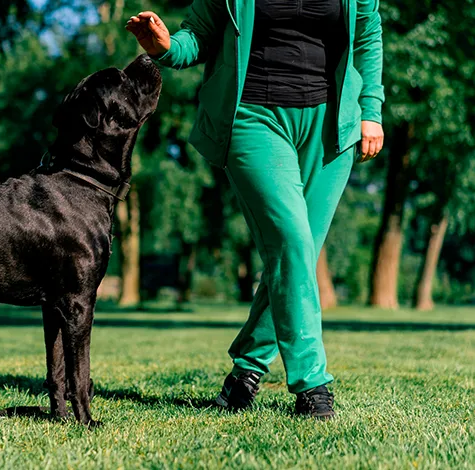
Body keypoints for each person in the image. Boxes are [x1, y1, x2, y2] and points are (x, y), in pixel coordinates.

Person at [126, 0, 384, 419]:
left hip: (332, 126)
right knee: (292, 240)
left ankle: (245, 373)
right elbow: (199, 37)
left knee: (294, 256)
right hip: (252, 117)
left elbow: (368, 38)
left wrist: (371, 111)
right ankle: (312, 384)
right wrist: (165, 47)